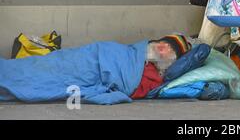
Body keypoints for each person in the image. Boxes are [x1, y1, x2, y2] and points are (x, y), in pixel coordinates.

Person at [0, 33, 192, 104]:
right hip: (90, 57)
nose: (163, 47)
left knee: (40, 78)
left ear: (170, 62)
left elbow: (129, 88)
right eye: (164, 42)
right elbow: (105, 52)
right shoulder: (135, 52)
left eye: (170, 50)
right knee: (46, 64)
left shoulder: (154, 77)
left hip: (94, 71)